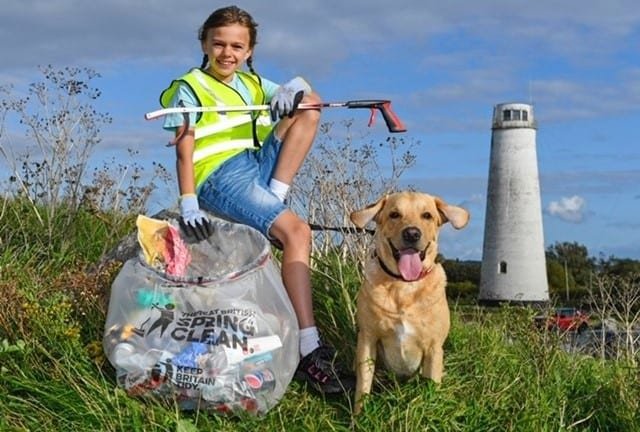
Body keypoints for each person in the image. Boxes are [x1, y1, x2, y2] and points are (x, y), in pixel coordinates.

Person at [159, 5, 354, 395]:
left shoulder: (251, 85)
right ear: (204, 43)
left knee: (310, 104)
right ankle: (308, 348)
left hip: (257, 167)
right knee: (296, 232)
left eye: (237, 46)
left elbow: (303, 97)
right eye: (218, 44)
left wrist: (295, 87)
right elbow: (184, 150)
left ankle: (275, 196)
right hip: (221, 175)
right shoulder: (190, 86)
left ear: (249, 50)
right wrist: (188, 201)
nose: (227, 53)